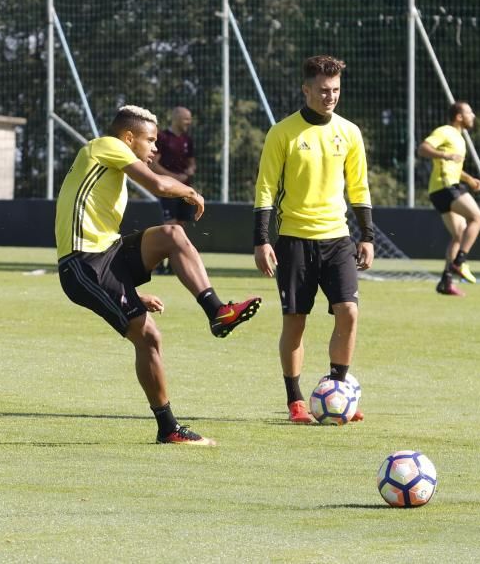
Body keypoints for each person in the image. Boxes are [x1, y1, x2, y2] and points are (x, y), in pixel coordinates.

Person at [55, 105, 261, 446]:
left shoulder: (111, 161)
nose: (155, 148)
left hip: (108, 254)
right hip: (83, 264)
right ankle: (169, 429)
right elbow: (158, 184)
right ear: (128, 137)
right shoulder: (105, 145)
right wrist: (190, 191)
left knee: (172, 235)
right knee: (148, 337)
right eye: (150, 140)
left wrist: (131, 291)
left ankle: (218, 312)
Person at [253, 55, 374, 425]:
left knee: (349, 312)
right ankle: (296, 402)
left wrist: (366, 236)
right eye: (323, 90)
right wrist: (261, 239)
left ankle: (337, 390)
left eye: (336, 90)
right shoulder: (282, 133)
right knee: (295, 323)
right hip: (293, 241)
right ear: (306, 90)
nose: (330, 96)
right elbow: (265, 188)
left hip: (337, 239)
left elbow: (359, 187)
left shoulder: (350, 132)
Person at [416, 101, 480, 297]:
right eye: (469, 112)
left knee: (459, 233)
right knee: (478, 218)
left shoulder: (460, 138)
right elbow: (422, 149)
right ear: (459, 116)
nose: (473, 116)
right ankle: (459, 263)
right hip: (446, 187)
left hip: (439, 190)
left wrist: (469, 179)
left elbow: (453, 165)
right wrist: (445, 155)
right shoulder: (446, 131)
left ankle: (446, 282)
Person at [150, 106, 196, 274]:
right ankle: (158, 264)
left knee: (180, 227)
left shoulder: (187, 140)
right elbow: (154, 164)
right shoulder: (162, 138)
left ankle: (172, 265)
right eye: (186, 119)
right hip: (168, 188)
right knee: (170, 227)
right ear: (176, 118)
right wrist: (173, 178)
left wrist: (190, 171)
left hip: (184, 189)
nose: (188, 122)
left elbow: (192, 162)